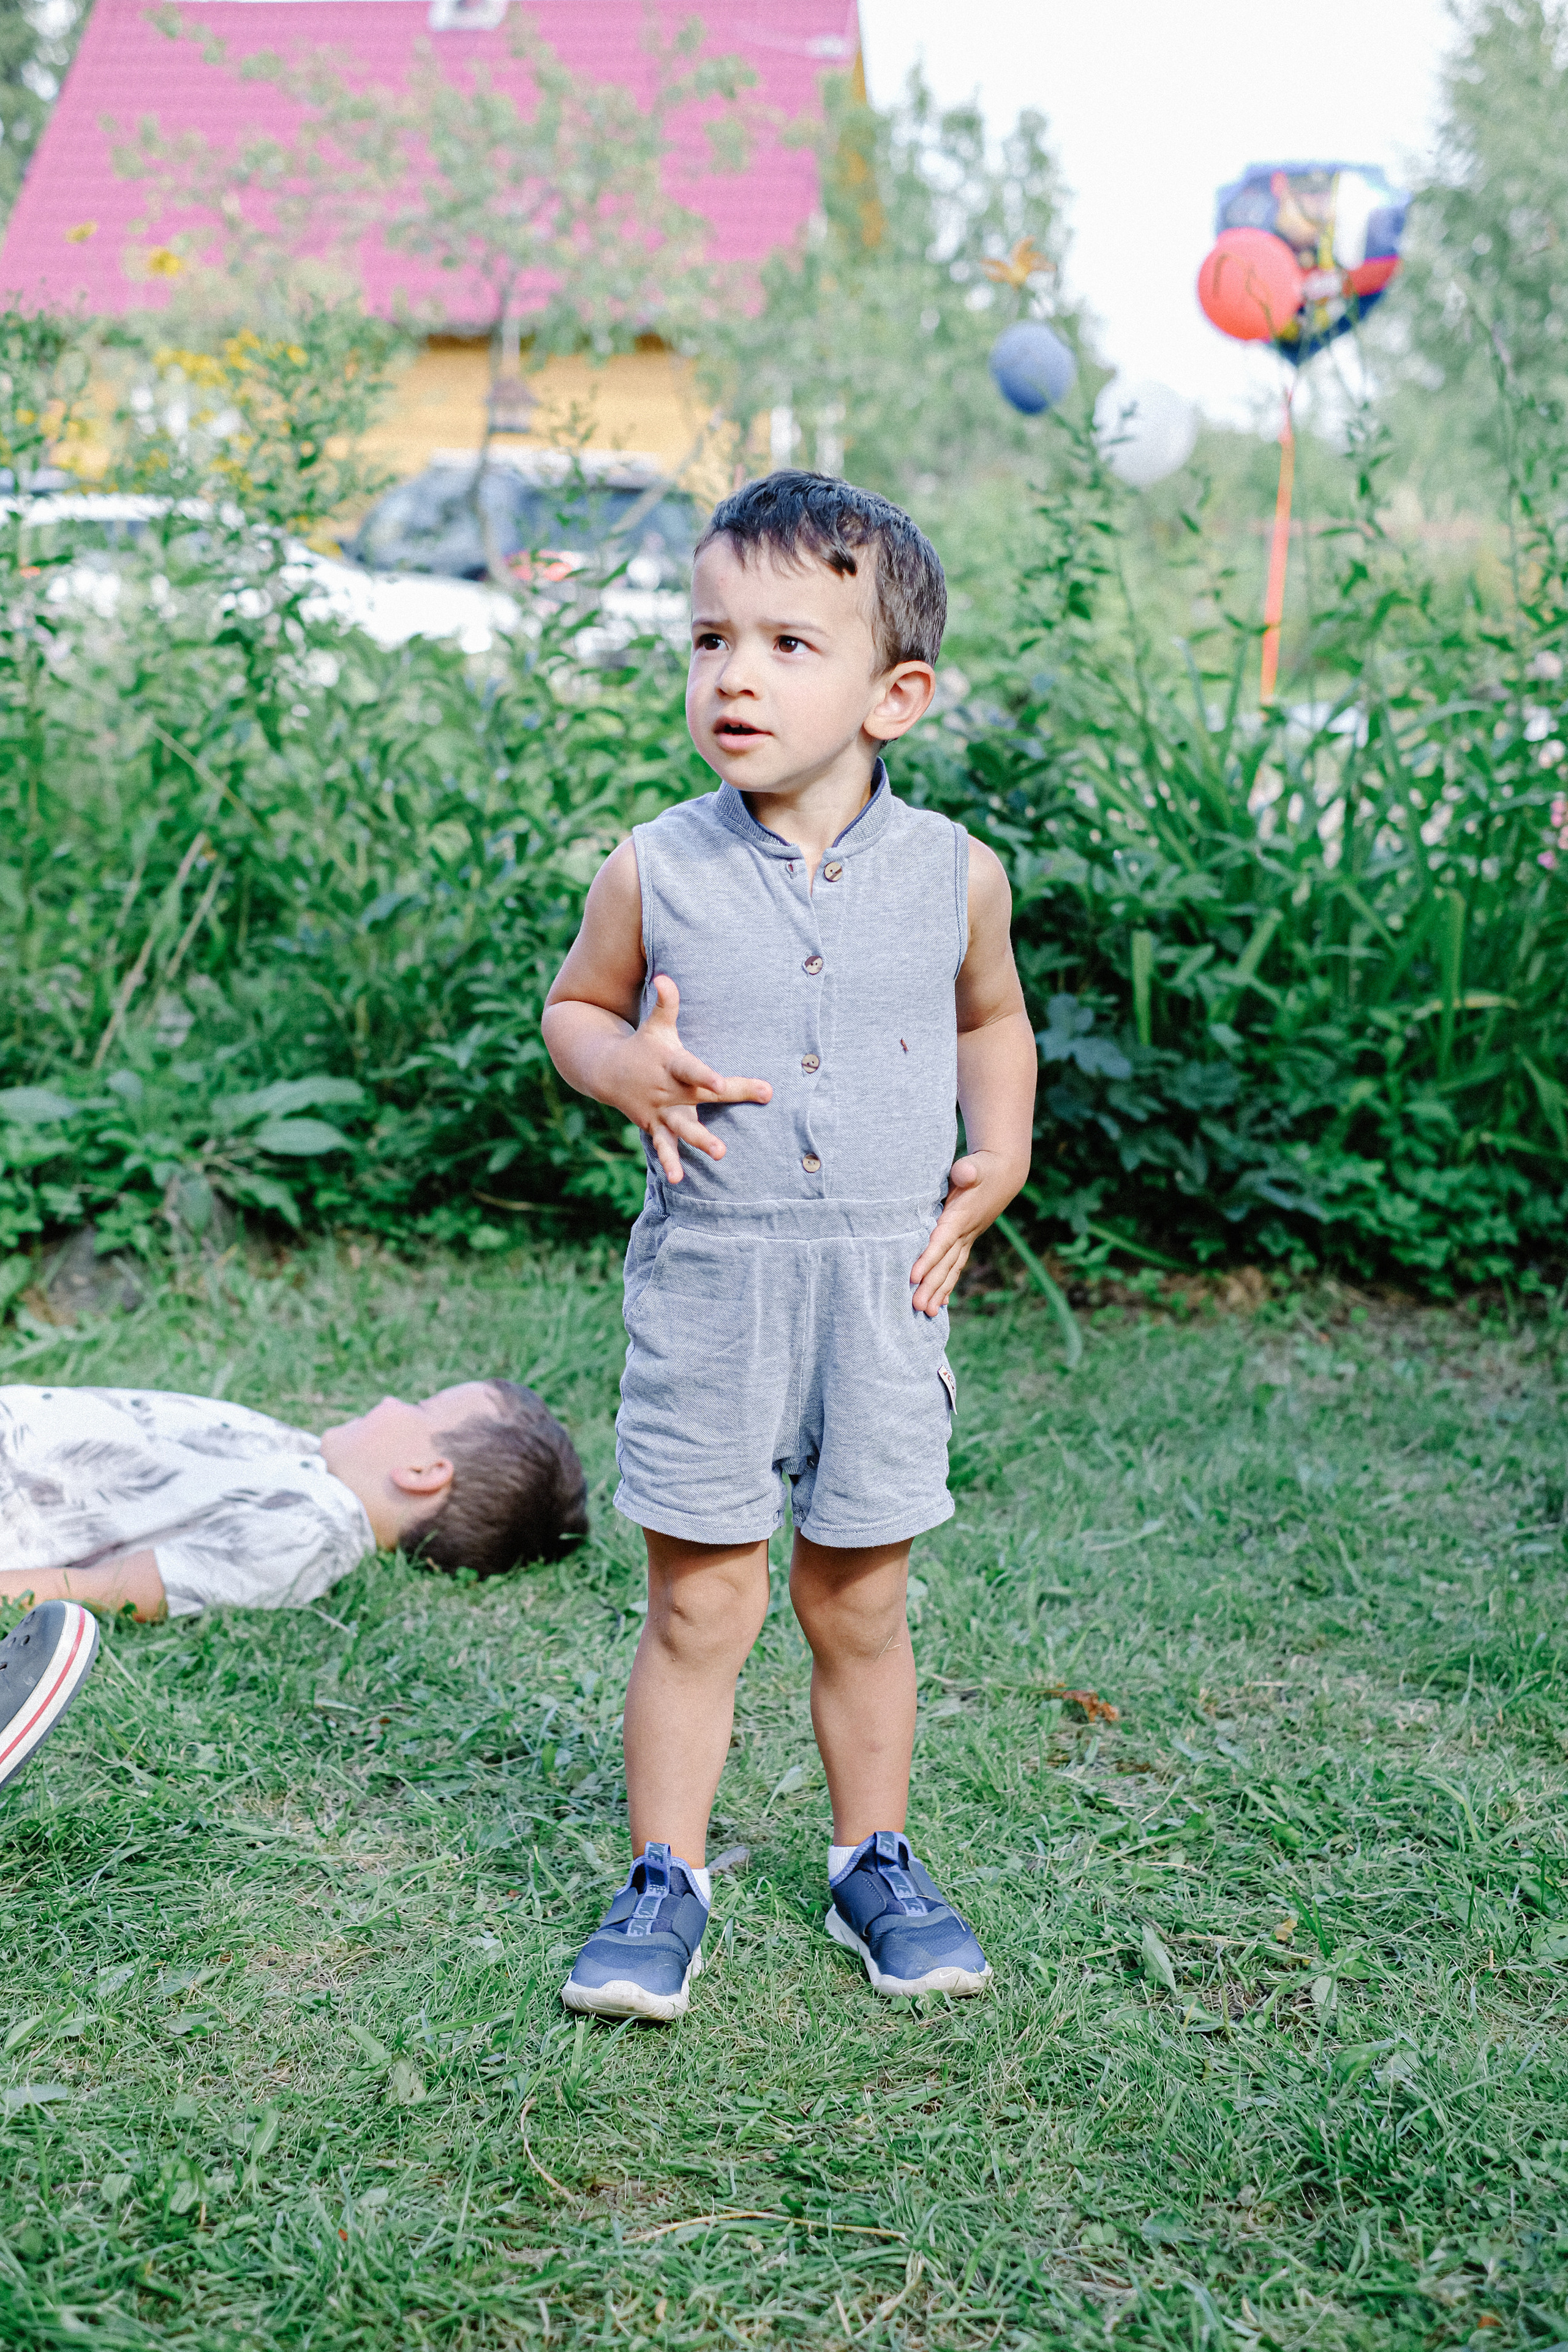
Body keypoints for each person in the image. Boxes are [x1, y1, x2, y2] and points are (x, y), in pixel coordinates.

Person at [541, 470, 1036, 2022]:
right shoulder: (654, 863)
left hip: (883, 1289)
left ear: (894, 693)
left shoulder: (956, 873)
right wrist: (618, 1063)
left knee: (858, 1595)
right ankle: (662, 1878)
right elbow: (574, 1009)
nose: (731, 676)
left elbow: (989, 1016)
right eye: (706, 640)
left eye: (783, 644)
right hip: (715, 1285)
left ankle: (869, 1855)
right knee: (700, 1599)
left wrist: (1000, 1151)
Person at [0, 1377, 587, 1790]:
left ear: (423, 1473)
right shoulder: (308, 1464)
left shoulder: (311, 1532)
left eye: (420, 1405)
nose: (389, 1398)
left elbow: (111, 1586)